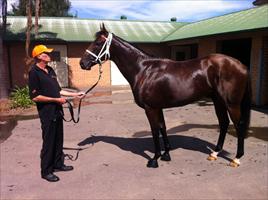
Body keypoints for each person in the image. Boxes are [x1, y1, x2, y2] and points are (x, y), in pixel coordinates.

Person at [28, 44, 85, 182]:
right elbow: (35, 97)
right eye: (46, 53)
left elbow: (59, 91)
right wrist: (56, 100)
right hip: (47, 114)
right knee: (49, 142)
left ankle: (58, 164)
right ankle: (46, 171)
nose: (49, 55)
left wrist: (76, 95)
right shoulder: (34, 72)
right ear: (38, 56)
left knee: (58, 140)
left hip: (57, 112)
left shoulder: (50, 70)